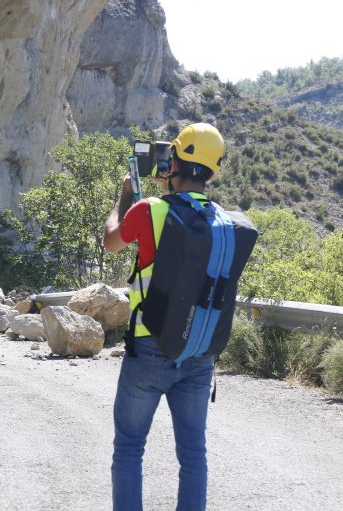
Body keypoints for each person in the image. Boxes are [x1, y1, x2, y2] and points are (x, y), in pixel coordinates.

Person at [103, 123, 226, 511]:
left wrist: (124, 196)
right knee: (193, 455)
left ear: (174, 162)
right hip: (199, 352)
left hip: (149, 348)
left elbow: (110, 241)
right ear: (210, 170)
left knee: (129, 449)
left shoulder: (149, 209)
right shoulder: (223, 220)